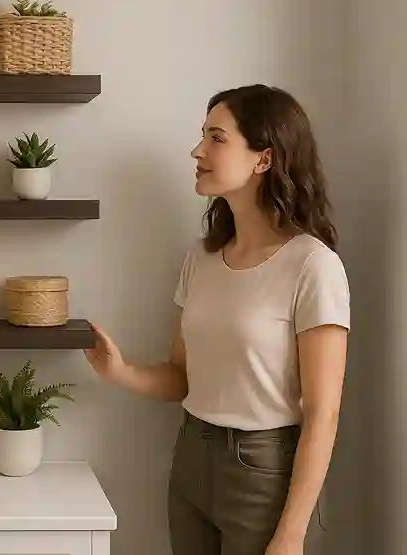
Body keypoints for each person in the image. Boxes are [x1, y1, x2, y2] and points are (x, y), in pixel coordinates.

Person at [84, 84, 350, 555]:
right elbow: (182, 379)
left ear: (263, 159)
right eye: (202, 137)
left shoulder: (313, 265)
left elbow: (323, 414)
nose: (197, 150)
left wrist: (291, 533)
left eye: (216, 138)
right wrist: (119, 372)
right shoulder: (202, 259)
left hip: (263, 471)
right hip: (191, 457)